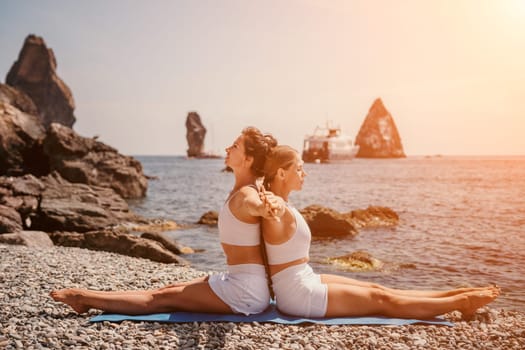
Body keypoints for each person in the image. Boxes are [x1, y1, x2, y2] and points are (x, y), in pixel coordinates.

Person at [50, 127, 284, 316]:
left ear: (248, 159)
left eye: (234, 146)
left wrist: (267, 207)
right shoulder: (248, 189)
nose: (227, 148)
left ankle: (83, 298)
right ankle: (89, 297)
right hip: (240, 280)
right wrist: (268, 202)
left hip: (245, 291)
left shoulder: (247, 194)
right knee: (167, 289)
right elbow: (261, 199)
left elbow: (257, 205)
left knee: (159, 300)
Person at [259, 145, 500, 320]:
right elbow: (269, 208)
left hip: (305, 278)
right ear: (281, 173)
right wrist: (269, 199)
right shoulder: (276, 206)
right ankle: (462, 302)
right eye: (299, 169)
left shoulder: (283, 202)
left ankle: (456, 292)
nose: (305, 173)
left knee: (378, 290)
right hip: (299, 296)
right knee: (382, 302)